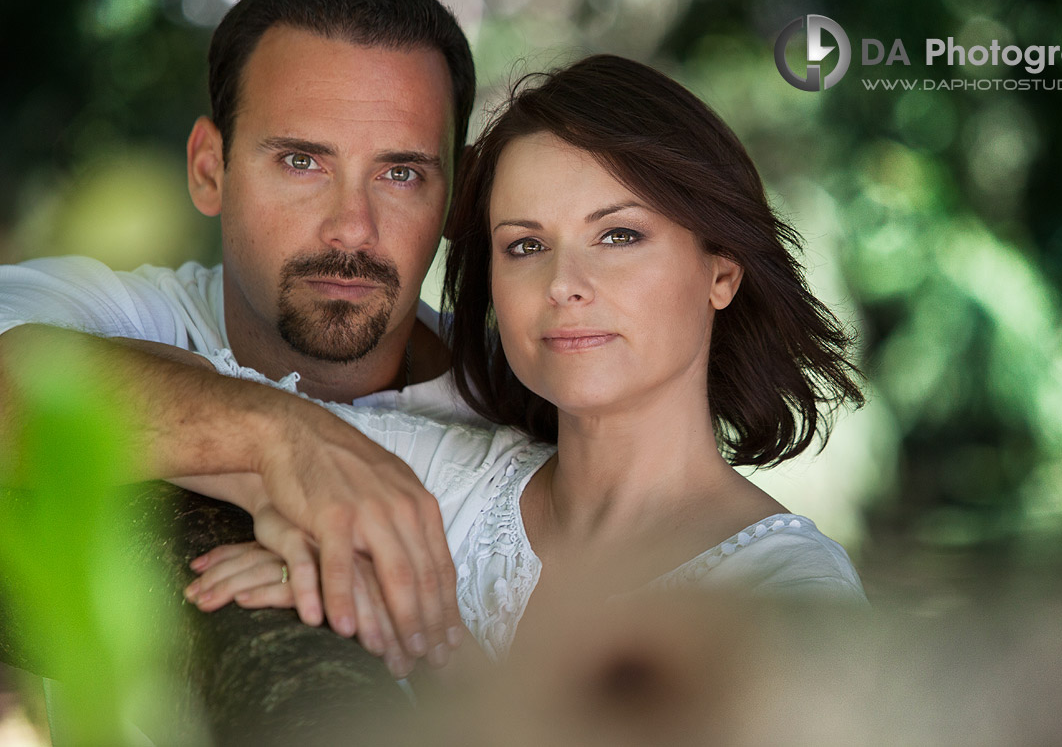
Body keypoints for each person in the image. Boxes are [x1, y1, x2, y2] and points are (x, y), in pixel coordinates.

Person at [185, 54, 867, 665]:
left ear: (720, 274)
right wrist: (295, 490)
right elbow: (135, 410)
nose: (563, 282)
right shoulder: (434, 479)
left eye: (619, 234)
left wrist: (410, 630)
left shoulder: (791, 591)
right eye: (525, 246)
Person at [0, 0, 478, 737]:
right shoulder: (129, 310)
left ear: (452, 197)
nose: (351, 226)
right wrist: (279, 437)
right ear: (208, 168)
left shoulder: (532, 394)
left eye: (400, 172)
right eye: (301, 161)